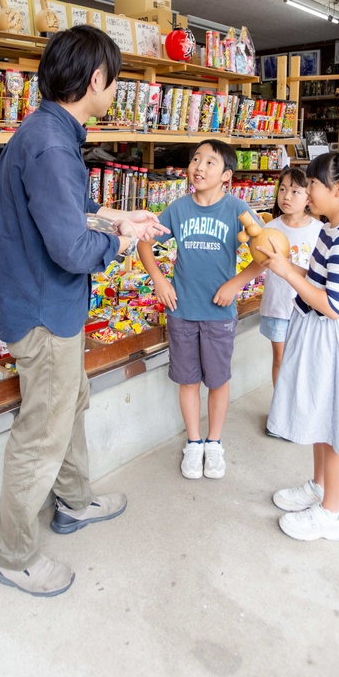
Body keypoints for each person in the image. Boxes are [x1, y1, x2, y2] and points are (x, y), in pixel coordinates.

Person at [0, 26, 166, 597]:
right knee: (42, 433)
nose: (113, 91)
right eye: (113, 82)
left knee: (72, 405)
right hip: (43, 314)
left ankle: (73, 502)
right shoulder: (50, 145)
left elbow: (75, 211)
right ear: (96, 80)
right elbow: (70, 247)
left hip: (53, 308)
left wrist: (118, 218)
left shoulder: (50, 134)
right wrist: (119, 243)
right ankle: (12, 555)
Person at [259, 152, 339, 542]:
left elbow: (333, 305)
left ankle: (332, 514)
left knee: (337, 425)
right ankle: (318, 487)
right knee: (319, 416)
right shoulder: (330, 229)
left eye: (312, 184)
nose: (306, 190)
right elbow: (314, 277)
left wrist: (286, 275)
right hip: (315, 333)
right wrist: (286, 264)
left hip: (331, 337)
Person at [138, 140, 263, 480]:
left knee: (218, 381)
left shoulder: (237, 209)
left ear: (226, 175)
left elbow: (266, 254)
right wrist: (160, 281)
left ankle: (214, 443)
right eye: (196, 159)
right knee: (188, 380)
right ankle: (194, 444)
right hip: (182, 311)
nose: (199, 166)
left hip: (220, 315)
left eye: (210, 162)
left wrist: (236, 283)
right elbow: (145, 241)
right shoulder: (178, 209)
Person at [259, 168, 321, 435]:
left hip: (306, 309)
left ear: (309, 197)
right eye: (283, 189)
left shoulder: (320, 230)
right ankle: (281, 411)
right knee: (280, 359)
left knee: (304, 361)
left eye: (295, 191)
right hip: (277, 304)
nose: (286, 196)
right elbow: (258, 262)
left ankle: (302, 412)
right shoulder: (270, 228)